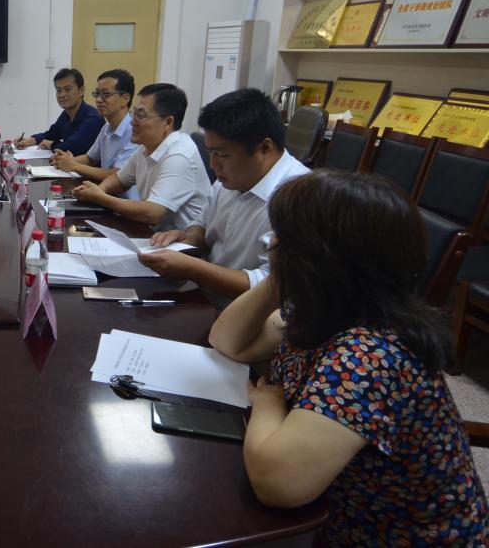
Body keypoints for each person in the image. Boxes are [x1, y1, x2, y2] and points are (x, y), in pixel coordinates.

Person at [208, 171, 488, 546]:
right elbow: (228, 341)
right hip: (338, 517)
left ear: (322, 259)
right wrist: (280, 277)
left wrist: (268, 401)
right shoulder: (326, 309)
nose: (271, 244)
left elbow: (278, 483)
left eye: (282, 239)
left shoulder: (371, 353)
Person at [142, 88, 307, 306]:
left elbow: (272, 285)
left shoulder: (300, 198)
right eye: (210, 153)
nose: (213, 165)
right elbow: (202, 223)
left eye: (222, 154)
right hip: (204, 297)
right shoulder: (231, 177)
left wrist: (192, 268)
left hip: (246, 315)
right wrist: (186, 240)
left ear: (265, 148)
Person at [70, 82, 209, 228]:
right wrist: (100, 190)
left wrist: (100, 198)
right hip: (152, 234)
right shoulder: (146, 148)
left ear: (168, 122)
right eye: (134, 113)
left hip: (181, 240)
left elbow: (152, 213)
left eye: (141, 115)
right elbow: (119, 180)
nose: (132, 122)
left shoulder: (179, 156)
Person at [52, 70, 142, 199]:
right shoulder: (106, 128)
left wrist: (74, 165)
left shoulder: (135, 131)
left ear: (125, 99)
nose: (99, 100)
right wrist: (64, 161)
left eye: (106, 94)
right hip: (105, 195)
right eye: (97, 94)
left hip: (126, 202)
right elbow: (90, 158)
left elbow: (117, 175)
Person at [15, 68, 104, 155]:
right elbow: (50, 135)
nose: (62, 95)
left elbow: (72, 147)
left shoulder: (93, 118)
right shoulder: (66, 114)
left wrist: (51, 144)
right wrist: (31, 140)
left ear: (81, 90)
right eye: (59, 90)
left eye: (68, 89)